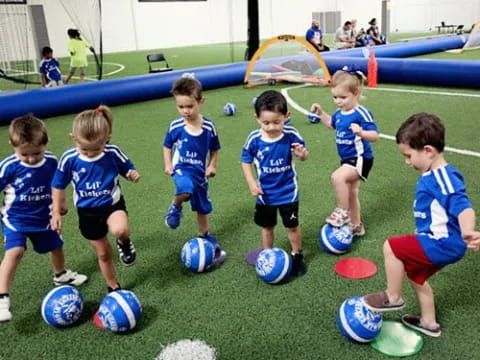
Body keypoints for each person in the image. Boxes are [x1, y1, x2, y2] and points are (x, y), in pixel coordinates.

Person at [363, 113, 480, 337]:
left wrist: (467, 230)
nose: (407, 162)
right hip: (437, 240)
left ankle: (393, 297)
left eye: (408, 155)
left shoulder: (443, 176)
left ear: (428, 150)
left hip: (445, 243)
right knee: (416, 277)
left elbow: (462, 205)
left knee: (392, 247)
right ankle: (429, 323)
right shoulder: (431, 174)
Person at [0, 115, 88, 322]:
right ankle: (2, 298)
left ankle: (60, 275)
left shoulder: (51, 161)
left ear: (46, 143)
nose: (31, 159)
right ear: (13, 147)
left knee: (56, 246)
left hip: (44, 218)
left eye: (36, 153)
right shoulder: (8, 167)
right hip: (16, 220)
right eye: (25, 154)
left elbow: (57, 184)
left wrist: (61, 204)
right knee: (15, 252)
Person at [51, 106, 139, 293]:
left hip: (112, 205)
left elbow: (127, 167)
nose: (90, 153)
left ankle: (124, 243)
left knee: (120, 230)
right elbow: (58, 184)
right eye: (84, 149)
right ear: (73, 138)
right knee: (103, 253)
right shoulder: (69, 159)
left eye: (96, 149)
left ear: (106, 138)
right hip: (87, 212)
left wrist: (131, 174)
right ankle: (113, 286)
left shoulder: (112, 152)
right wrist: (56, 210)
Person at [241, 90, 309, 276]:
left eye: (277, 122)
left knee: (292, 226)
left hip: (288, 192)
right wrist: (251, 183)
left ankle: (297, 255)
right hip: (265, 195)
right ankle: (267, 255)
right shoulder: (254, 139)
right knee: (267, 227)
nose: (271, 127)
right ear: (257, 119)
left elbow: (304, 154)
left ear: (287, 117)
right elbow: (245, 160)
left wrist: (302, 154)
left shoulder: (291, 135)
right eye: (266, 123)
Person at [163, 76, 226, 267]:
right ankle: (175, 207)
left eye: (189, 106)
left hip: (201, 173)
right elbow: (167, 145)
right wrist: (168, 163)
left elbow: (215, 149)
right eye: (180, 107)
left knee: (202, 207)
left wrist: (212, 165)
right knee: (186, 187)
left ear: (200, 102)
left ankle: (204, 234)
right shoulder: (176, 126)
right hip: (181, 169)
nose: (185, 111)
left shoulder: (208, 127)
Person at [310, 68, 379, 236]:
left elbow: (375, 135)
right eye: (335, 97)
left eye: (343, 97)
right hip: (347, 159)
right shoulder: (340, 113)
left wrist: (361, 133)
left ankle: (342, 211)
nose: (338, 101)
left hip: (361, 158)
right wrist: (321, 114)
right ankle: (356, 225)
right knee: (352, 193)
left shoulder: (361, 113)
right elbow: (331, 124)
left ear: (355, 94)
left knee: (337, 177)